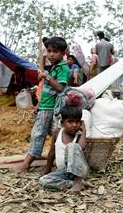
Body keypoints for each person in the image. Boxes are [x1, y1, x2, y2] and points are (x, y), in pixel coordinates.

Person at [13, 37, 70, 173]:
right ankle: (48, 164)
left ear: (63, 53)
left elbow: (60, 89)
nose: (50, 54)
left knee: (39, 134)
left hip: (52, 108)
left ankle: (27, 164)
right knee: (45, 134)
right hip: (45, 106)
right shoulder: (53, 67)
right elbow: (46, 91)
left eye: (55, 51)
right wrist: (38, 104)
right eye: (49, 51)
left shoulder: (63, 69)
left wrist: (47, 77)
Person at [39, 106, 93, 192]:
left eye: (77, 122)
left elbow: (81, 147)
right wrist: (47, 169)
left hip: (79, 172)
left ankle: (78, 181)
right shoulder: (57, 132)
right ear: (62, 123)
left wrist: (84, 131)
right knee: (43, 181)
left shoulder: (79, 135)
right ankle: (73, 183)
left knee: (72, 146)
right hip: (63, 172)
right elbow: (52, 152)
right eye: (70, 122)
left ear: (81, 123)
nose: (74, 125)